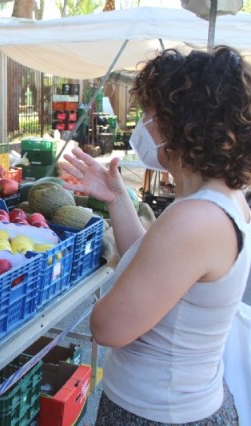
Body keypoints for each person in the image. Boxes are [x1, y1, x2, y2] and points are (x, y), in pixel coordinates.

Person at [61, 46, 251, 425]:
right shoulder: (218, 200)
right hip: (175, 404)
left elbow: (108, 327)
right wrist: (117, 197)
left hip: (160, 413)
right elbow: (155, 268)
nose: (144, 124)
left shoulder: (196, 219)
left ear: (180, 123)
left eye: (150, 113)